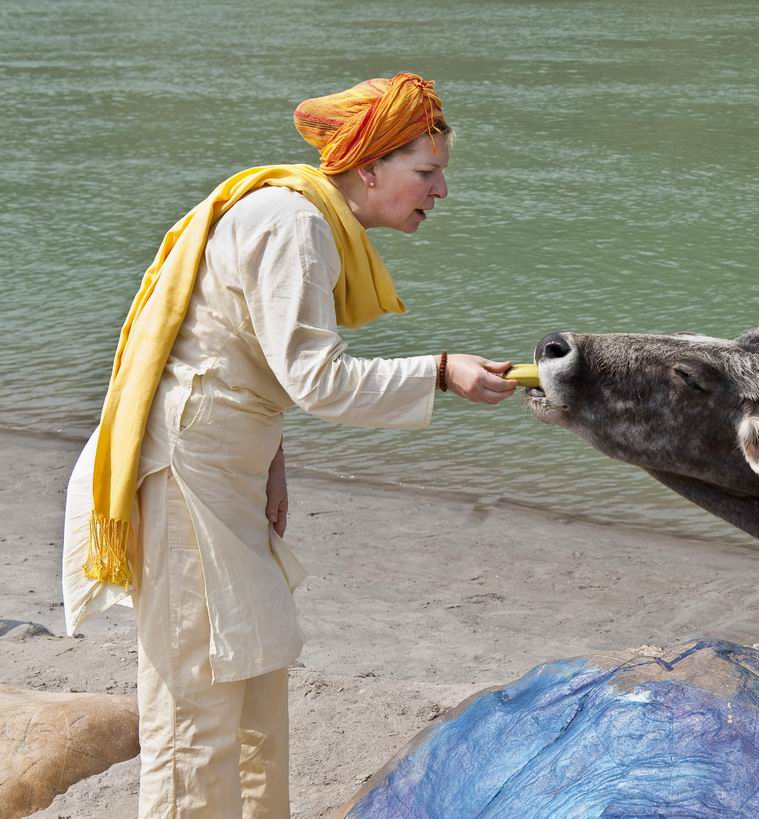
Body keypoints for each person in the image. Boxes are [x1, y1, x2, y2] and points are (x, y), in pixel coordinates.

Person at [60, 72, 517, 817]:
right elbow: (317, 379)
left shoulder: (304, 219)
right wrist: (439, 371)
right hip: (186, 474)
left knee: (253, 692)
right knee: (196, 714)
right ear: (369, 166)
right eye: (426, 173)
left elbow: (237, 350)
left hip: (224, 463)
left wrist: (273, 462)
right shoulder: (295, 224)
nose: (438, 192)